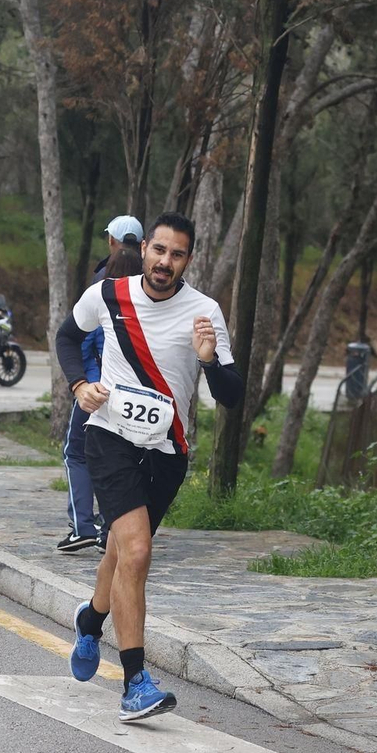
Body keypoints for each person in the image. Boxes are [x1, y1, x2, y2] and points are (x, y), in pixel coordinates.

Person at [56, 212, 244, 721]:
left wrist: (208, 359)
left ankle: (91, 621)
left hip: (167, 451)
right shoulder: (109, 295)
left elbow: (231, 395)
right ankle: (135, 682)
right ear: (145, 250)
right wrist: (80, 385)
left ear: (188, 260)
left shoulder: (204, 311)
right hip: (111, 436)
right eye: (159, 250)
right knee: (136, 551)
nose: (165, 261)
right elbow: (66, 339)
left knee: (122, 553)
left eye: (177, 254)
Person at [58, 215, 145, 554]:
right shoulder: (153, 286)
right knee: (129, 460)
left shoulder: (101, 285)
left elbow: (81, 340)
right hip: (140, 392)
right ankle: (113, 529)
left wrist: (82, 384)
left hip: (97, 389)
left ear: (110, 241)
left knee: (77, 453)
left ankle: (83, 526)